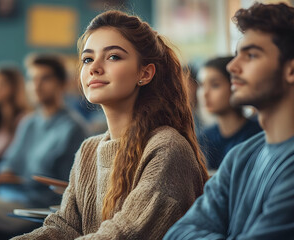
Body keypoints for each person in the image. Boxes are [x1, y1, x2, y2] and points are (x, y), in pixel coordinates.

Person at [13, 10, 208, 240]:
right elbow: (61, 228)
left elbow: (125, 234)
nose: (94, 67)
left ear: (145, 73)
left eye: (113, 56)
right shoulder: (88, 150)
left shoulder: (166, 147)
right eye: (87, 59)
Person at [164, 3, 294, 239]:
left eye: (252, 55)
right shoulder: (241, 156)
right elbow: (177, 233)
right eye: (237, 55)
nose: (232, 66)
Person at [0, 54, 88, 239]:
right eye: (32, 79)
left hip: (38, 207)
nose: (36, 85)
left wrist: (24, 178)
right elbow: (9, 162)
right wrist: (7, 171)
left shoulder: (73, 129)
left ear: (61, 84)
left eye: (45, 78)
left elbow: (69, 190)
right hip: (9, 195)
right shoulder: (29, 122)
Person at [198, 56, 262, 170]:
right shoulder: (204, 138)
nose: (205, 93)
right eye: (202, 85)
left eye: (215, 85)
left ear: (235, 86)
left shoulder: (257, 135)